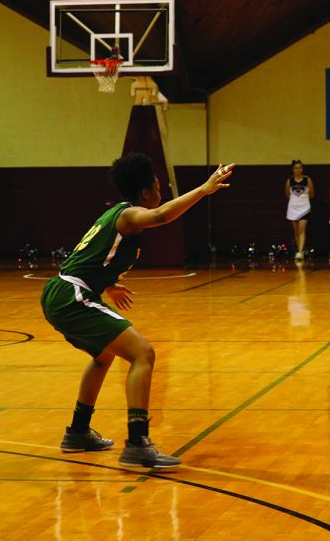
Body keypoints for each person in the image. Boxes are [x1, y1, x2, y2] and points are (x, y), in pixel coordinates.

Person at [41, 153, 234, 469]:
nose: (161, 188)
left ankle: (77, 433)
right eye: (158, 183)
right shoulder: (130, 215)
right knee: (143, 354)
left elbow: (92, 256)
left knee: (103, 357)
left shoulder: (115, 216)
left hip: (65, 291)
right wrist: (204, 189)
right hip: (71, 294)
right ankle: (137, 442)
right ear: (147, 191)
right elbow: (160, 216)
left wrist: (110, 283)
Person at [285, 159, 314, 260]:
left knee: (302, 230)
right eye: (296, 168)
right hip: (293, 207)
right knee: (296, 231)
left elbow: (311, 194)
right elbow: (287, 194)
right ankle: (299, 250)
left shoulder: (307, 180)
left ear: (302, 169)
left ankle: (300, 252)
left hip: (304, 207)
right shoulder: (289, 181)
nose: (298, 170)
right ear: (293, 170)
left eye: (300, 168)